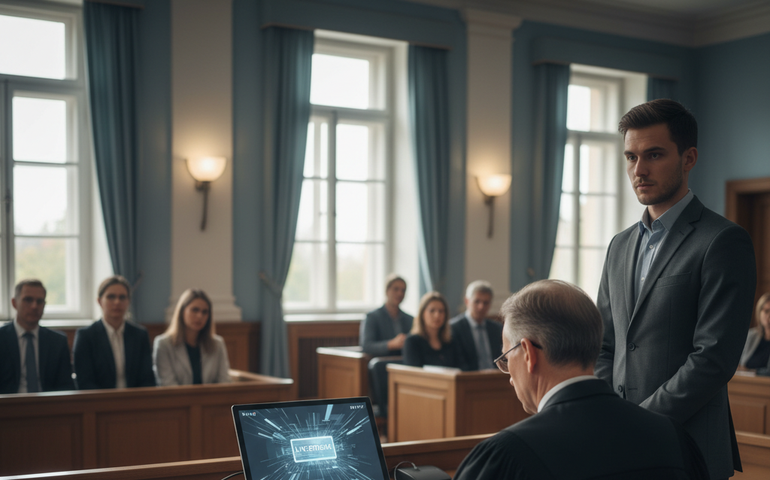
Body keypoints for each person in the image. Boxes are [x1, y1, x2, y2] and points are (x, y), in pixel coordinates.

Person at [595, 99, 757, 479]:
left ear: (689, 158)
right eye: (631, 157)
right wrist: (610, 415)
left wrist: (639, 423)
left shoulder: (723, 241)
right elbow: (604, 345)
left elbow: (713, 359)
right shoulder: (619, 245)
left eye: (653, 155)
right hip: (620, 447)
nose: (639, 170)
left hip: (689, 450)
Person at [454, 280, 709, 480]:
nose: (509, 377)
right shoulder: (672, 437)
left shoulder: (506, 455)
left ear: (529, 354)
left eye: (506, 357)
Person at [73, 275, 156, 389]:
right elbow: (85, 382)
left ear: (129, 301)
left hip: (134, 398)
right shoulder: (86, 336)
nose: (117, 302)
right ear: (99, 301)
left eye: (122, 297)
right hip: (98, 399)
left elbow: (147, 380)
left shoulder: (140, 335)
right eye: (111, 297)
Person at [0, 279, 75, 394]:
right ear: (14, 303)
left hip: (48, 403)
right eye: (28, 300)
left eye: (39, 301)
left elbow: (66, 386)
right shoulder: (2, 338)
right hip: (8, 404)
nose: (34, 306)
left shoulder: (57, 342)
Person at [153, 289, 232, 385]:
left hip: (212, 395)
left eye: (204, 312)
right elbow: (168, 385)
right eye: (195, 310)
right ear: (182, 311)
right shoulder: (163, 344)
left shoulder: (217, 344)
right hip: (177, 395)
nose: (199, 316)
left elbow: (224, 382)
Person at [402, 292, 465, 369]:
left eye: (441, 311)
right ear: (422, 313)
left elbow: (462, 368)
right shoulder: (412, 341)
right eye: (432, 311)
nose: (437, 315)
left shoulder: (451, 340)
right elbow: (414, 372)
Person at [449, 280, 502, 370]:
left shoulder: (497, 328)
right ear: (467, 301)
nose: (481, 307)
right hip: (469, 377)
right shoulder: (454, 328)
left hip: (495, 376)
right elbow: (457, 362)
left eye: (486, 303)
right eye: (477, 301)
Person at [359, 274, 413, 356]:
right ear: (387, 290)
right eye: (396, 289)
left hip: (403, 361)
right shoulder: (372, 317)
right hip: (381, 361)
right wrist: (391, 344)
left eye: (403, 290)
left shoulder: (410, 319)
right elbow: (366, 346)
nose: (400, 293)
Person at [739, 293, 770, 370]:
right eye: (766, 311)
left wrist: (754, 371)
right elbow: (740, 364)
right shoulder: (751, 335)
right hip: (744, 377)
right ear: (759, 312)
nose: (769, 315)